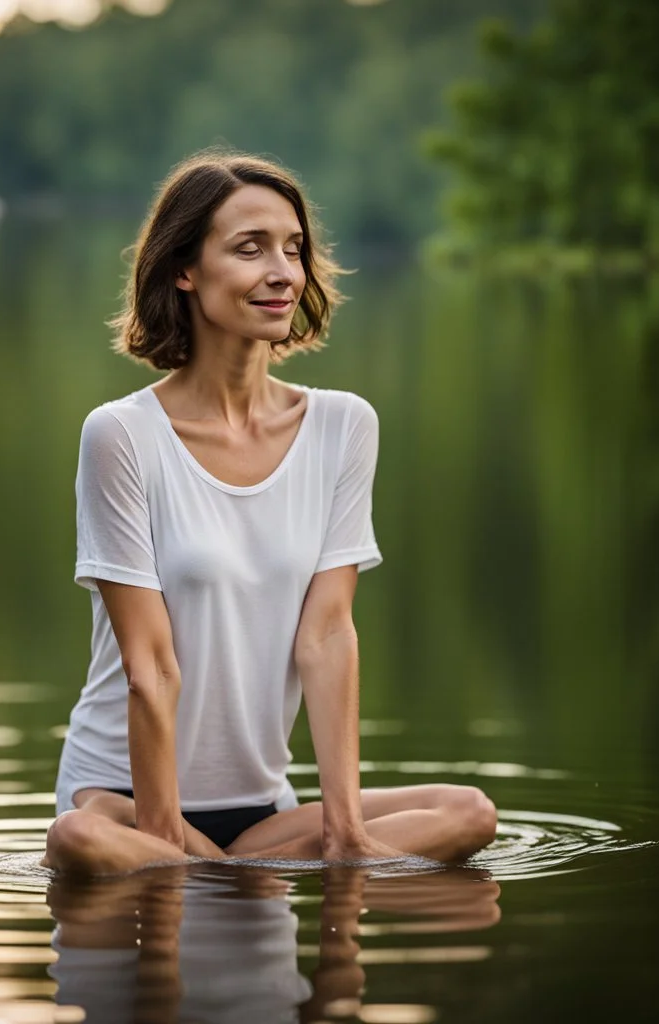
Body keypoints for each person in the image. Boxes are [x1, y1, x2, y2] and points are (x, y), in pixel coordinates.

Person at [43, 150, 497, 875]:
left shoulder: (343, 426)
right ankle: (220, 871)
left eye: (294, 249)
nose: (283, 272)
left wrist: (345, 828)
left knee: (469, 813)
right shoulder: (122, 435)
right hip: (123, 799)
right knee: (77, 838)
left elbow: (326, 636)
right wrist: (161, 833)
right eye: (250, 249)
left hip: (263, 806)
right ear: (183, 270)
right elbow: (150, 667)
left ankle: (232, 873)